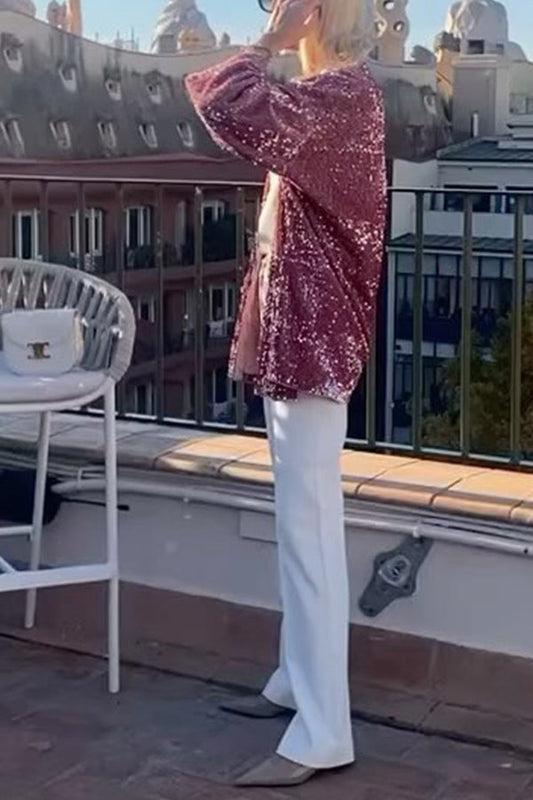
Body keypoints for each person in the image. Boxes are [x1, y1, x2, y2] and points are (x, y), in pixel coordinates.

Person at [185, 0, 386, 788]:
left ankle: (322, 733)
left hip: (312, 340)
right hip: (297, 336)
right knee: (299, 524)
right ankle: (294, 684)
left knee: (309, 536)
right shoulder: (326, 96)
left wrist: (269, 40)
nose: (269, 8)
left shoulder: (340, 96)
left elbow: (223, 102)